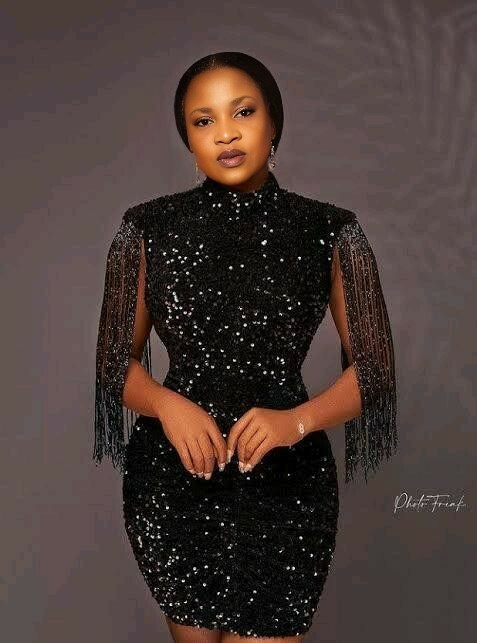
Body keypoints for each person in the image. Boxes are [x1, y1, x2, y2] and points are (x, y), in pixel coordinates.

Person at [93, 51, 398, 642]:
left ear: (274, 121)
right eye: (203, 120)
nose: (225, 134)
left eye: (243, 112)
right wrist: (168, 406)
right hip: (176, 481)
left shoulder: (331, 231)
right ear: (188, 138)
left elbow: (375, 372)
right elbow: (112, 363)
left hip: (287, 489)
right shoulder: (147, 228)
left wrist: (296, 421)